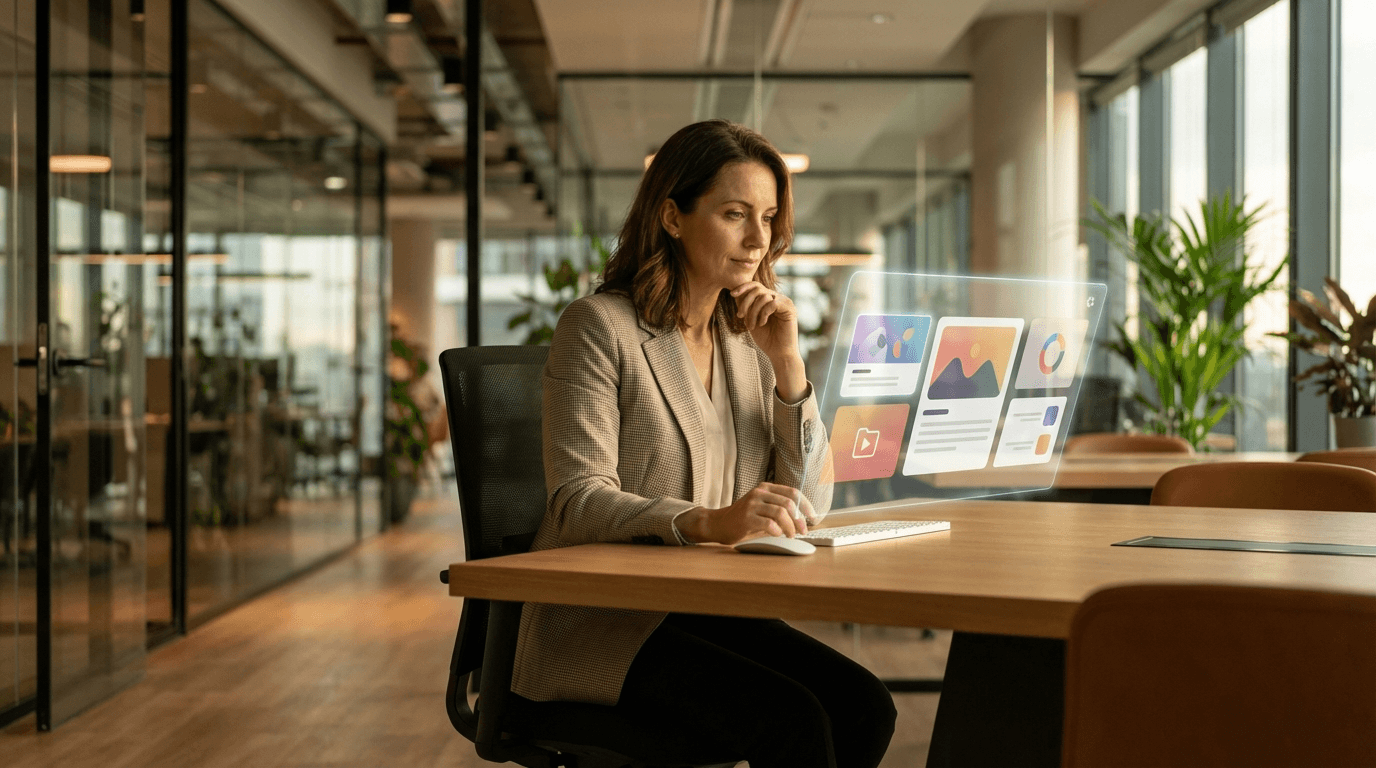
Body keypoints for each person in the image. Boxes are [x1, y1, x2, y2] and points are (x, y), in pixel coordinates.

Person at [512, 119, 896, 768]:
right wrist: (708, 521)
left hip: (700, 606)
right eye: (734, 214)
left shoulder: (746, 341)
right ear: (671, 215)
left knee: (865, 706)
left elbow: (811, 501)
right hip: (606, 621)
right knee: (792, 722)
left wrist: (789, 369)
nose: (757, 240)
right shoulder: (599, 327)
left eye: (769, 217)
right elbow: (575, 501)